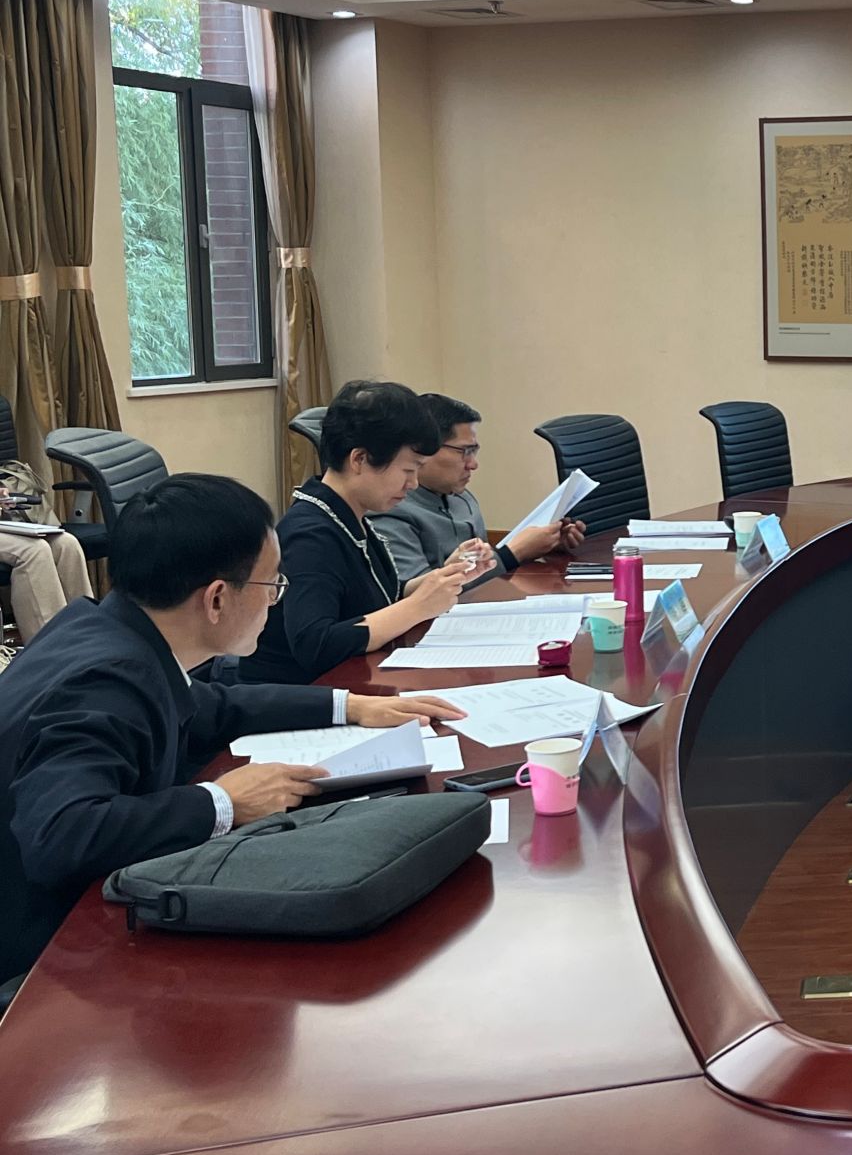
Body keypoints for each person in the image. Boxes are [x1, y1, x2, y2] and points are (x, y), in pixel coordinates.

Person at [0, 473, 462, 984]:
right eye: (272, 584)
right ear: (217, 598)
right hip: (42, 955)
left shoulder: (109, 631)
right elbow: (61, 836)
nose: (276, 600)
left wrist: (348, 705)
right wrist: (223, 802)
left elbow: (212, 705)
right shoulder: (105, 683)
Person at [242, 379, 475, 685]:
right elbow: (316, 644)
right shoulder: (309, 535)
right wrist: (417, 607)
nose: (413, 483)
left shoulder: (349, 514)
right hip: (298, 693)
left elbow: (373, 598)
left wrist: (441, 579)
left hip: (351, 682)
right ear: (359, 459)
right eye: (408, 470)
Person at [374, 393, 585, 583]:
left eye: (474, 451)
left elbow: (480, 565)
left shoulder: (460, 497)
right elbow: (416, 595)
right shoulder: (391, 510)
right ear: (425, 450)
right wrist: (513, 553)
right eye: (464, 451)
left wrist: (544, 543)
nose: (473, 464)